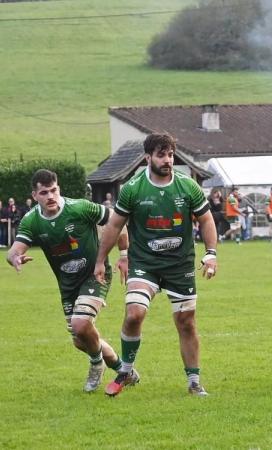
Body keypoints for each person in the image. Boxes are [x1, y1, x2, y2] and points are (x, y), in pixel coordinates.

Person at [94, 133, 218, 397]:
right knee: (134, 314)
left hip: (180, 264)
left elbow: (206, 220)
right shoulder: (133, 189)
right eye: (161, 155)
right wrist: (101, 260)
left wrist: (211, 253)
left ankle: (194, 381)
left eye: (171, 155)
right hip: (145, 264)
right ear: (147, 157)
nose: (167, 160)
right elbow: (115, 225)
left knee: (186, 322)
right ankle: (125, 371)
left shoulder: (187, 186)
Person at [6, 169, 129, 392]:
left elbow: (116, 221)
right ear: (35, 195)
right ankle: (123, 370)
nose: (50, 196)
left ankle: (96, 365)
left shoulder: (80, 207)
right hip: (68, 284)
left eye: (53, 190)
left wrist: (123, 255)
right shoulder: (32, 220)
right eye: (44, 193)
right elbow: (13, 250)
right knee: (80, 339)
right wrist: (15, 258)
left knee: (81, 324)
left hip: (95, 274)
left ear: (59, 188)